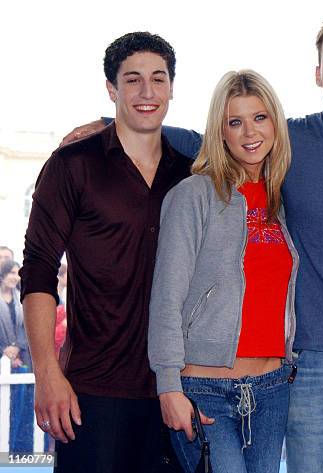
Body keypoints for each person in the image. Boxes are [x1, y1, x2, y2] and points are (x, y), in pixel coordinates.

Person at [63, 11, 323, 472]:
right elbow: (215, 135)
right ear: (317, 71)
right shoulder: (291, 140)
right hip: (308, 365)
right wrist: (110, 123)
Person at [19, 32, 192, 473]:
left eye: (158, 79)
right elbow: (38, 270)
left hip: (176, 389)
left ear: (172, 87)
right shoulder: (72, 165)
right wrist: (46, 373)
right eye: (132, 80)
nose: (147, 92)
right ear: (112, 89)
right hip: (92, 392)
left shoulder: (190, 174)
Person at [148, 69, 298, 473]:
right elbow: (166, 297)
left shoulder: (279, 202)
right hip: (204, 390)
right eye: (235, 121)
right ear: (221, 132)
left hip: (271, 390)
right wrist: (168, 387)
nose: (250, 132)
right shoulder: (193, 195)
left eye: (260, 118)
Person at [0, 260, 34, 453]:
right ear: (3, 275)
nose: (15, 276)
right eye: (11, 273)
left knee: (19, 407)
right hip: (2, 358)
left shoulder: (21, 298)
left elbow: (26, 327)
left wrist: (16, 348)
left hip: (20, 359)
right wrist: (4, 350)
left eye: (17, 273)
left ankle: (15, 451)